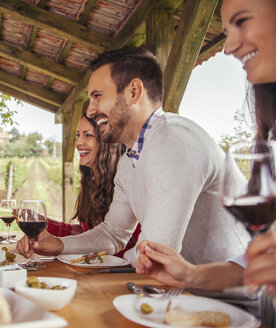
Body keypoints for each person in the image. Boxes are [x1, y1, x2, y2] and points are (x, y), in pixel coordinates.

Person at [17, 46, 250, 266]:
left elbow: (155, 252)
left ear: (134, 92)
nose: (90, 109)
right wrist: (58, 245)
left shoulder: (172, 139)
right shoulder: (129, 161)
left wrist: (125, 258)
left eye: (98, 96)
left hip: (237, 299)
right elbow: (113, 233)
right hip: (188, 293)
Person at [136, 0, 276, 293]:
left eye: (242, 21)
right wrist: (190, 274)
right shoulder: (270, 132)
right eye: (226, 31)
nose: (229, 46)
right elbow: (259, 261)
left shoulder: (174, 140)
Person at [19, 115, 141, 258]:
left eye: (88, 135)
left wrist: (58, 245)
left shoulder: (129, 181)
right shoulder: (91, 181)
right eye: (78, 135)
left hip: (124, 274)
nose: (79, 142)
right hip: (97, 272)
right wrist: (45, 225)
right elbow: (86, 235)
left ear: (108, 142)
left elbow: (120, 242)